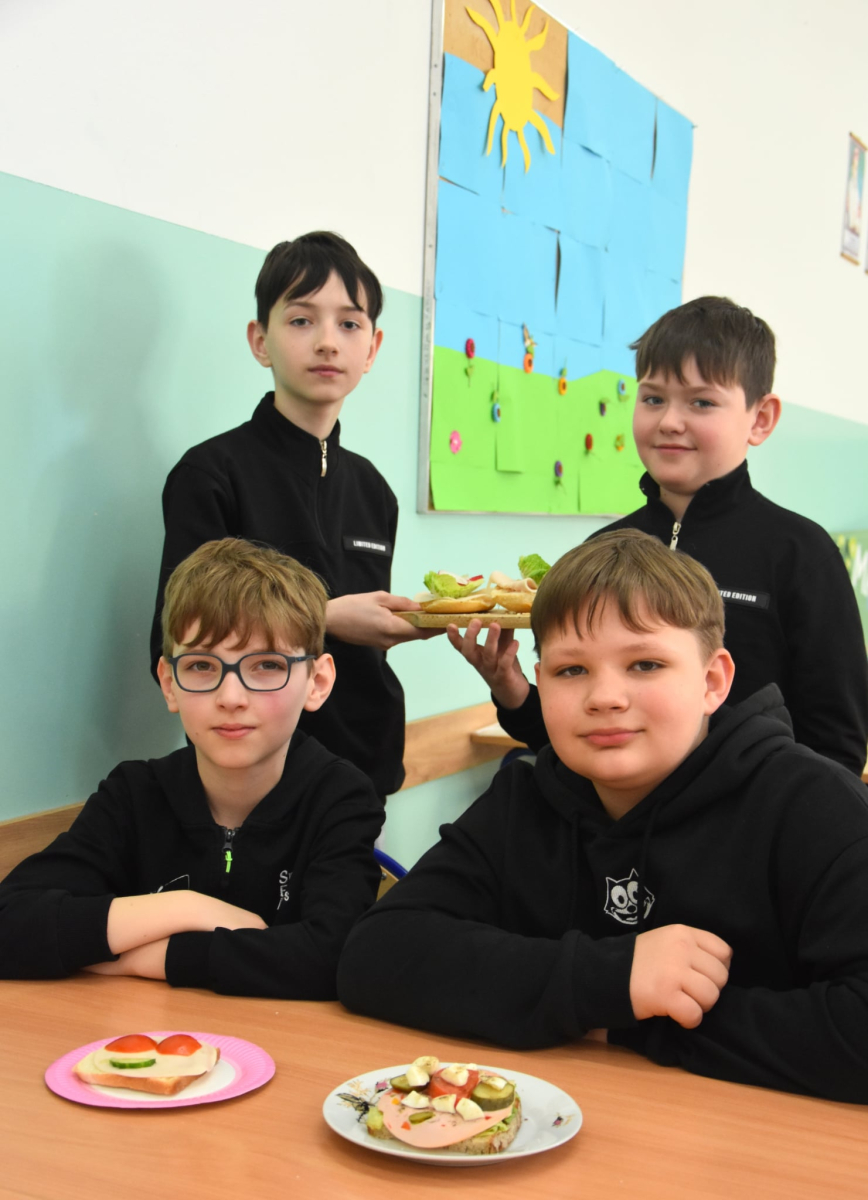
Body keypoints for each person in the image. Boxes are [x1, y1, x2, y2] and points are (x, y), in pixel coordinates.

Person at [338, 531, 868, 1102]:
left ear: (712, 682)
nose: (605, 697)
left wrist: (629, 1024)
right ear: (539, 682)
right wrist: (615, 979)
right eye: (571, 671)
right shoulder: (525, 799)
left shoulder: (815, 807)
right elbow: (377, 954)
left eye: (645, 664)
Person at [448, 297, 868, 776]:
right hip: (614, 822)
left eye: (702, 402)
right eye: (653, 399)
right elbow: (566, 741)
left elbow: (837, 747)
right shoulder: (599, 552)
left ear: (760, 418)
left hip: (755, 818)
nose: (669, 421)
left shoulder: (801, 553)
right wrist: (511, 688)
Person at [0, 538, 384, 998]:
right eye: (202, 666)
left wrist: (150, 958)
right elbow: (11, 921)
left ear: (316, 682)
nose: (231, 697)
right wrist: (185, 909)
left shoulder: (341, 797)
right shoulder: (134, 794)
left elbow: (335, 956)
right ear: (169, 683)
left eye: (266, 665)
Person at [149, 231, 439, 800]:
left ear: (372, 349)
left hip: (365, 776)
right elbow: (179, 640)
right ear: (261, 341)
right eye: (302, 320)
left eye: (349, 324)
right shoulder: (211, 474)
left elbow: (365, 641)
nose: (328, 342)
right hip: (251, 781)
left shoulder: (375, 491)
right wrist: (326, 616)